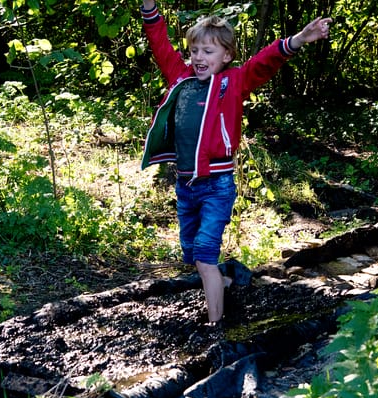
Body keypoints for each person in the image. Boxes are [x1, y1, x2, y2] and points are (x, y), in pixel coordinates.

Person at [138, 0, 332, 324]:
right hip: (186, 185)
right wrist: (149, 7)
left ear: (226, 56)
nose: (199, 58)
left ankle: (216, 328)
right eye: (195, 50)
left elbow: (264, 63)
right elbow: (160, 43)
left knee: (203, 256)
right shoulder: (180, 78)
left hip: (217, 185)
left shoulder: (233, 83)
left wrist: (298, 39)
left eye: (208, 52)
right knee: (192, 254)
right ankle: (226, 282)